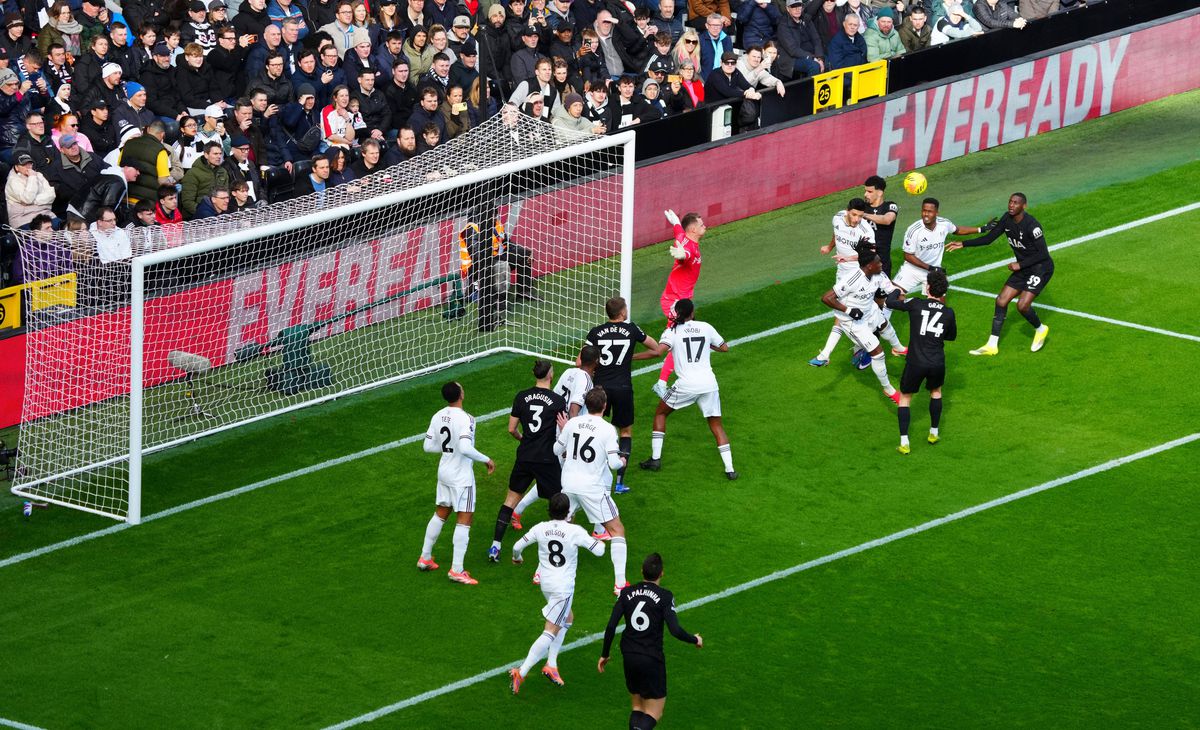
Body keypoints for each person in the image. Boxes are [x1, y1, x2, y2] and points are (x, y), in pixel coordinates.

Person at [598, 552, 702, 730]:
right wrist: (695, 639)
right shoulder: (665, 596)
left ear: (641, 571)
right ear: (662, 573)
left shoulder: (626, 592)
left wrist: (605, 654)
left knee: (637, 707)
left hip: (629, 655)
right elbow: (675, 630)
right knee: (654, 713)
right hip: (651, 658)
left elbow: (611, 626)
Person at [639, 298, 737, 480]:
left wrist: (632, 357)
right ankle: (730, 469)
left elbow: (657, 352)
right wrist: (707, 343)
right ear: (692, 312)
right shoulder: (706, 327)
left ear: (677, 313)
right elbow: (724, 348)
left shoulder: (672, 331)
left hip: (686, 385)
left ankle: (655, 459)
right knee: (716, 425)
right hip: (709, 384)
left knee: (660, 413)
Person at [947, 192, 1053, 355]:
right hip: (1023, 268)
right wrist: (963, 244)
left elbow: (1043, 253)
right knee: (1001, 300)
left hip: (1040, 268)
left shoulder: (1032, 226)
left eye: (1016, 203)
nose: (1011, 205)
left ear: (1024, 206)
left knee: (1022, 306)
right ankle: (992, 345)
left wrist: (1020, 264)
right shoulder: (1006, 219)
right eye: (1010, 202)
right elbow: (989, 239)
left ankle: (1040, 329)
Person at [488, 359, 568, 561]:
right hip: (547, 459)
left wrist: (524, 439)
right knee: (558, 503)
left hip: (524, 456)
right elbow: (563, 431)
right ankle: (558, 549)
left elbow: (511, 429)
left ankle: (495, 547)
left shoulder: (521, 397)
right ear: (550, 375)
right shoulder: (558, 401)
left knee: (510, 501)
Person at [418, 381, 496, 585]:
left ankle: (425, 557)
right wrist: (486, 459)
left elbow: (427, 446)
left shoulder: (437, 415)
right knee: (465, 519)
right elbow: (465, 447)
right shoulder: (466, 418)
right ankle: (457, 570)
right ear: (461, 394)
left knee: (441, 512)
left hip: (444, 472)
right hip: (461, 476)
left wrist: (447, 449)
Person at [555, 387, 629, 595]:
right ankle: (620, 584)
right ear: (605, 406)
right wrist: (622, 459)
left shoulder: (572, 423)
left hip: (569, 482)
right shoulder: (607, 430)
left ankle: (541, 572)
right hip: (592, 488)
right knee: (616, 530)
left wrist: (565, 437)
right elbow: (614, 464)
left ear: (587, 404)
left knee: (562, 525)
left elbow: (555, 450)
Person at [585, 297, 660, 495]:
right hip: (623, 387)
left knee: (592, 427)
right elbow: (657, 349)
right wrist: (631, 356)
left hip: (600, 387)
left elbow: (581, 361)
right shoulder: (632, 329)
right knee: (625, 431)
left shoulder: (595, 332)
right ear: (622, 312)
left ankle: (590, 470)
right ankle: (619, 483)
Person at [885, 270, 957, 454]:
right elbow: (951, 336)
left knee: (905, 397)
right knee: (936, 391)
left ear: (928, 288)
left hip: (916, 361)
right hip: (937, 362)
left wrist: (895, 290)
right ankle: (933, 432)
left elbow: (890, 303)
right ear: (943, 292)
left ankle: (904, 442)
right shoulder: (949, 312)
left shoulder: (916, 304)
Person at [817, 248, 902, 403]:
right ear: (869, 266)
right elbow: (826, 298)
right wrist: (849, 310)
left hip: (870, 310)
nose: (882, 264)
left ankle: (898, 348)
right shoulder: (852, 279)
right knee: (878, 353)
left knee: (885, 325)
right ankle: (888, 389)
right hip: (853, 322)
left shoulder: (878, 274)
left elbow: (892, 290)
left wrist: (900, 297)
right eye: (878, 262)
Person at [651, 209, 704, 400]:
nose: (704, 225)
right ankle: (662, 382)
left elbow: (679, 233)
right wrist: (681, 255)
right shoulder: (690, 248)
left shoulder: (685, 239)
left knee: (681, 339)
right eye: (700, 223)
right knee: (678, 341)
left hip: (682, 301)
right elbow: (686, 255)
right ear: (692, 229)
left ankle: (666, 379)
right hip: (675, 302)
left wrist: (674, 222)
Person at [893, 197, 983, 297]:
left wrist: (980, 229)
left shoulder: (944, 224)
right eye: (924, 211)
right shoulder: (914, 230)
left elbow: (957, 230)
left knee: (939, 306)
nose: (926, 214)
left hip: (934, 273)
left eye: (930, 211)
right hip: (913, 270)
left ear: (936, 213)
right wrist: (931, 268)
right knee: (893, 297)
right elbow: (908, 256)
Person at [861, 175, 898, 278]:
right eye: (865, 191)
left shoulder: (890, 206)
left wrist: (863, 215)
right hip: (862, 262)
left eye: (870, 192)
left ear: (880, 192)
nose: (865, 194)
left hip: (882, 263)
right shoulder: (861, 207)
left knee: (882, 294)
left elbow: (887, 220)